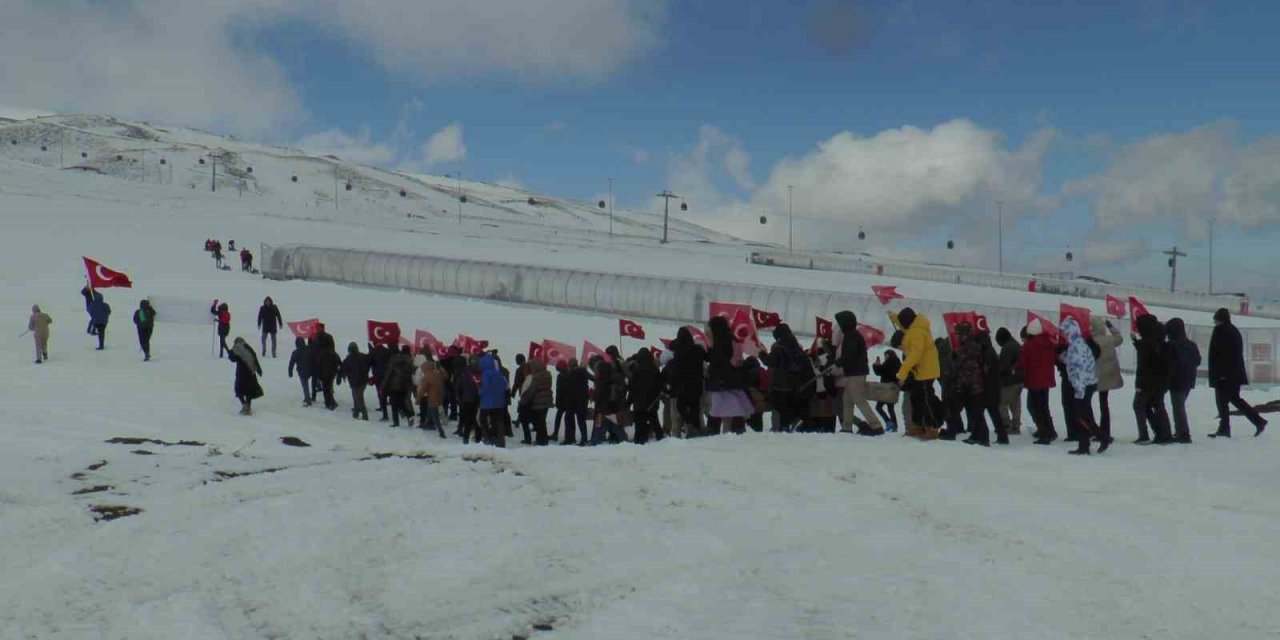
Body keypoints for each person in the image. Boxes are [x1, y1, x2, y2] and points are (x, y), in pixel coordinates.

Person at [1208, 308, 1267, 438]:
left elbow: (1225, 355)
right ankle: (1257, 421)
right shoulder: (1230, 330)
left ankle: (1227, 428)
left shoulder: (1224, 332)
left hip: (1226, 375)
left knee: (1224, 401)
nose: (1214, 321)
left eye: (1215, 318)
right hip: (1231, 374)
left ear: (1220, 319)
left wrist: (1222, 374)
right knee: (1232, 399)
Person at [893, 308, 943, 440]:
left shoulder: (917, 332)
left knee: (926, 400)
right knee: (916, 399)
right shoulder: (915, 327)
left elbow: (915, 354)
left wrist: (902, 373)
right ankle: (918, 425)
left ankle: (932, 428)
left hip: (926, 371)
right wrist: (893, 317)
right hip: (919, 371)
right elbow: (903, 327)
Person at [834, 311, 884, 435]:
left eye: (840, 323)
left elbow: (849, 355)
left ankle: (876, 426)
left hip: (856, 373)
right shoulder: (851, 335)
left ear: (846, 323)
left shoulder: (852, 336)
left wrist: (838, 362)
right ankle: (846, 427)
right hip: (852, 372)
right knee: (847, 401)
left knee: (858, 399)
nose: (839, 326)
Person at [1061, 317, 1102, 455]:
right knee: (1083, 416)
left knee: (1081, 416)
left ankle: (1102, 438)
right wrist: (1066, 359)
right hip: (1087, 384)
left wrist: (1079, 389)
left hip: (1083, 386)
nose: (1062, 334)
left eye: (1064, 331)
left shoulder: (1076, 346)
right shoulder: (1078, 343)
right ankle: (1084, 445)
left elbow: (1080, 369)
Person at [1132, 314, 1174, 445]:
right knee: (1158, 406)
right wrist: (1136, 342)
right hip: (1161, 382)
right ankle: (1164, 434)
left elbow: (1143, 366)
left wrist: (1139, 385)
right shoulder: (1160, 340)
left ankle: (1144, 435)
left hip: (1147, 383)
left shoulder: (1145, 344)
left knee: (1139, 406)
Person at [766, 323, 813, 432]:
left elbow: (770, 362)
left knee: (778, 404)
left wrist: (761, 353)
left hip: (780, 382)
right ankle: (791, 422)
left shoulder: (778, 347)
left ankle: (784, 426)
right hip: (795, 382)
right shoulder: (795, 345)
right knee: (789, 405)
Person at [1019, 320, 1059, 445]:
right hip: (1046, 380)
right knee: (1044, 407)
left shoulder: (1029, 346)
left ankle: (1044, 433)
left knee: (1034, 407)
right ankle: (1050, 431)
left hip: (1034, 380)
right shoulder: (1049, 343)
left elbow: (1022, 363)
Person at [953, 322, 992, 446]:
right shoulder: (974, 345)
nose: (956, 336)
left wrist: (961, 384)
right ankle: (976, 435)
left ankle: (983, 437)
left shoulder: (966, 348)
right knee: (974, 412)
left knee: (976, 413)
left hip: (972, 384)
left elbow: (966, 368)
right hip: (977, 383)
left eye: (958, 334)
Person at [1164, 317, 1201, 444]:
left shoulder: (1171, 345)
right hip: (1189, 380)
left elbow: (1167, 362)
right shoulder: (1191, 344)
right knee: (1180, 406)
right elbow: (1198, 361)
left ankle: (1183, 433)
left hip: (1175, 380)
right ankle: (1181, 431)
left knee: (1178, 407)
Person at [666, 327, 707, 437]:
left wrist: (671, 384)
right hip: (697, 385)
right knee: (695, 408)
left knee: (680, 406)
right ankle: (697, 429)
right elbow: (706, 357)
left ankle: (690, 425)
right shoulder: (698, 350)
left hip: (683, 387)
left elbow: (675, 372)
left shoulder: (679, 353)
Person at [1090, 317, 1124, 445]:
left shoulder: (1090, 341)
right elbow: (1120, 338)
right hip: (1108, 376)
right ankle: (1106, 431)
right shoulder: (1110, 340)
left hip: (1094, 376)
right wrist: (1110, 325)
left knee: (1086, 404)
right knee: (1104, 405)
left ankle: (1094, 430)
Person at [588, 355, 629, 444]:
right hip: (612, 408)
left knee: (599, 428)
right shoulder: (614, 377)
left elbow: (599, 395)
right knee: (616, 427)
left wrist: (593, 395)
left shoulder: (600, 381)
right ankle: (624, 441)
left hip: (602, 408)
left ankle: (595, 442)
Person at [628, 348, 666, 443]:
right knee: (654, 421)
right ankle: (660, 438)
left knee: (639, 423)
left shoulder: (636, 371)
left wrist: (628, 402)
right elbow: (659, 386)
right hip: (652, 402)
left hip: (639, 403)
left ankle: (639, 440)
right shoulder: (655, 370)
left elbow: (632, 389)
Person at [994, 327, 1024, 436]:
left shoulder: (1007, 348)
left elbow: (1004, 366)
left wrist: (995, 372)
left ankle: (1006, 425)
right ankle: (1016, 426)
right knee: (1015, 404)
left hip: (1009, 381)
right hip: (1020, 380)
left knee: (1001, 403)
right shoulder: (1016, 344)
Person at [518, 358, 554, 445]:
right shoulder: (548, 375)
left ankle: (541, 441)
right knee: (542, 421)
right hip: (547, 401)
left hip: (538, 402)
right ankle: (542, 439)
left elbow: (531, 391)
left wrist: (523, 402)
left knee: (539, 422)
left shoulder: (536, 378)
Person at [478, 353, 509, 446]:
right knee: (498, 422)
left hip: (487, 403)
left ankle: (488, 438)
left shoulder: (486, 374)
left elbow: (486, 388)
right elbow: (505, 386)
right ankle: (501, 440)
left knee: (483, 420)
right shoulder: (499, 373)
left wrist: (479, 391)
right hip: (499, 402)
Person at [381, 345, 416, 427]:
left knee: (394, 403)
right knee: (403, 401)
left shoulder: (394, 358)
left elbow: (388, 373)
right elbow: (414, 372)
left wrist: (383, 385)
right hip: (407, 384)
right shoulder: (412, 360)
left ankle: (396, 422)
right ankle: (409, 415)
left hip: (395, 384)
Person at [228, 337, 263, 415]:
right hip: (251, 372)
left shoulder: (237, 348)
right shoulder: (248, 347)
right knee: (249, 390)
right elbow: (254, 357)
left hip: (241, 373)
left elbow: (232, 358)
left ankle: (244, 404)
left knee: (238, 389)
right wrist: (258, 369)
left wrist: (230, 351)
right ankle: (248, 407)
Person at [339, 342, 372, 421]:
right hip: (363, 380)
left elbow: (343, 368)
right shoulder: (363, 356)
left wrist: (342, 376)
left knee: (358, 398)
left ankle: (364, 415)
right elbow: (370, 362)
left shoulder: (348, 359)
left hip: (354, 381)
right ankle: (356, 412)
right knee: (356, 397)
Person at [416, 357, 447, 437]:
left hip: (432, 398)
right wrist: (441, 368)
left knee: (435, 416)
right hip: (440, 396)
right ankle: (426, 424)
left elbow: (422, 390)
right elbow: (446, 376)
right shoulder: (438, 374)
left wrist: (418, 399)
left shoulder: (427, 377)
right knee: (429, 412)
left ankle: (441, 432)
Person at [312, 328, 341, 411]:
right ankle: (331, 401)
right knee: (329, 387)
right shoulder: (332, 352)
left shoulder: (318, 353)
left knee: (326, 389)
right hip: (331, 373)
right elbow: (338, 362)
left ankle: (328, 403)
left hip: (323, 373)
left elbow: (316, 364)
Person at [872, 350, 901, 432]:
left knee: (878, 407)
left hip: (886, 388)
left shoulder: (889, 362)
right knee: (890, 408)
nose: (885, 358)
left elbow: (880, 371)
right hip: (893, 387)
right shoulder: (897, 362)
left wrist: (876, 365)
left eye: (886, 356)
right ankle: (894, 425)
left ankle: (889, 422)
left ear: (889, 355)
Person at [456, 355, 483, 443]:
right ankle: (478, 437)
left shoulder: (464, 373)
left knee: (468, 419)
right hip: (478, 399)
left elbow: (459, 386)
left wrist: (459, 397)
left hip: (466, 399)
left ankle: (466, 438)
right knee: (476, 419)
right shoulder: (481, 373)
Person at [287, 337, 314, 407]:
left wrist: (290, 372)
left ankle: (308, 400)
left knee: (305, 386)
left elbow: (291, 363)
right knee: (309, 384)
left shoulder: (296, 352)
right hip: (311, 370)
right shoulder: (309, 349)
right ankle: (310, 397)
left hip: (302, 371)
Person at [369, 343, 393, 420]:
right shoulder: (387, 351)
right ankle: (400, 410)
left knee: (381, 394)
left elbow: (369, 362)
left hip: (378, 376)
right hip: (388, 375)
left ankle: (384, 412)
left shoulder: (373, 351)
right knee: (390, 393)